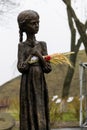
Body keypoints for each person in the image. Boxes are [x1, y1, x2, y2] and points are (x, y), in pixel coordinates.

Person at [17, 10, 52, 130]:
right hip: (27, 83)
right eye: (33, 23)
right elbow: (21, 67)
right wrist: (29, 57)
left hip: (40, 82)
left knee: (40, 105)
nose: (36, 26)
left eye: (38, 23)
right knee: (29, 107)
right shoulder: (22, 46)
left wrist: (40, 57)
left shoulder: (42, 45)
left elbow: (48, 68)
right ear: (24, 27)